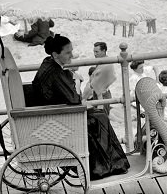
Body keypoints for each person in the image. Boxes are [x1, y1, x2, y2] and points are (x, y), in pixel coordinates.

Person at [31, 34, 129, 180]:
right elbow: (74, 99)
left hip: (48, 113)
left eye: (71, 51)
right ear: (55, 54)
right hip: (55, 118)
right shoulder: (56, 72)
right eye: (68, 52)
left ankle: (110, 163)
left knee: (98, 114)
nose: (72, 55)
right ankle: (104, 167)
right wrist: (73, 82)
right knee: (99, 117)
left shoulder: (49, 63)